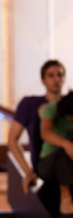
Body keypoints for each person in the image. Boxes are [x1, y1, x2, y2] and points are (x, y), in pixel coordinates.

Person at [7, 60, 66, 188]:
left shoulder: (69, 104)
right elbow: (12, 139)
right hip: (45, 164)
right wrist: (28, 172)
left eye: (60, 75)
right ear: (43, 80)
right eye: (51, 75)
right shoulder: (30, 104)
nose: (56, 79)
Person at [37, 91, 73, 215]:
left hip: (70, 165)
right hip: (48, 165)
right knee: (63, 152)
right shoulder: (51, 108)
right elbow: (45, 132)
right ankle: (65, 199)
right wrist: (66, 144)